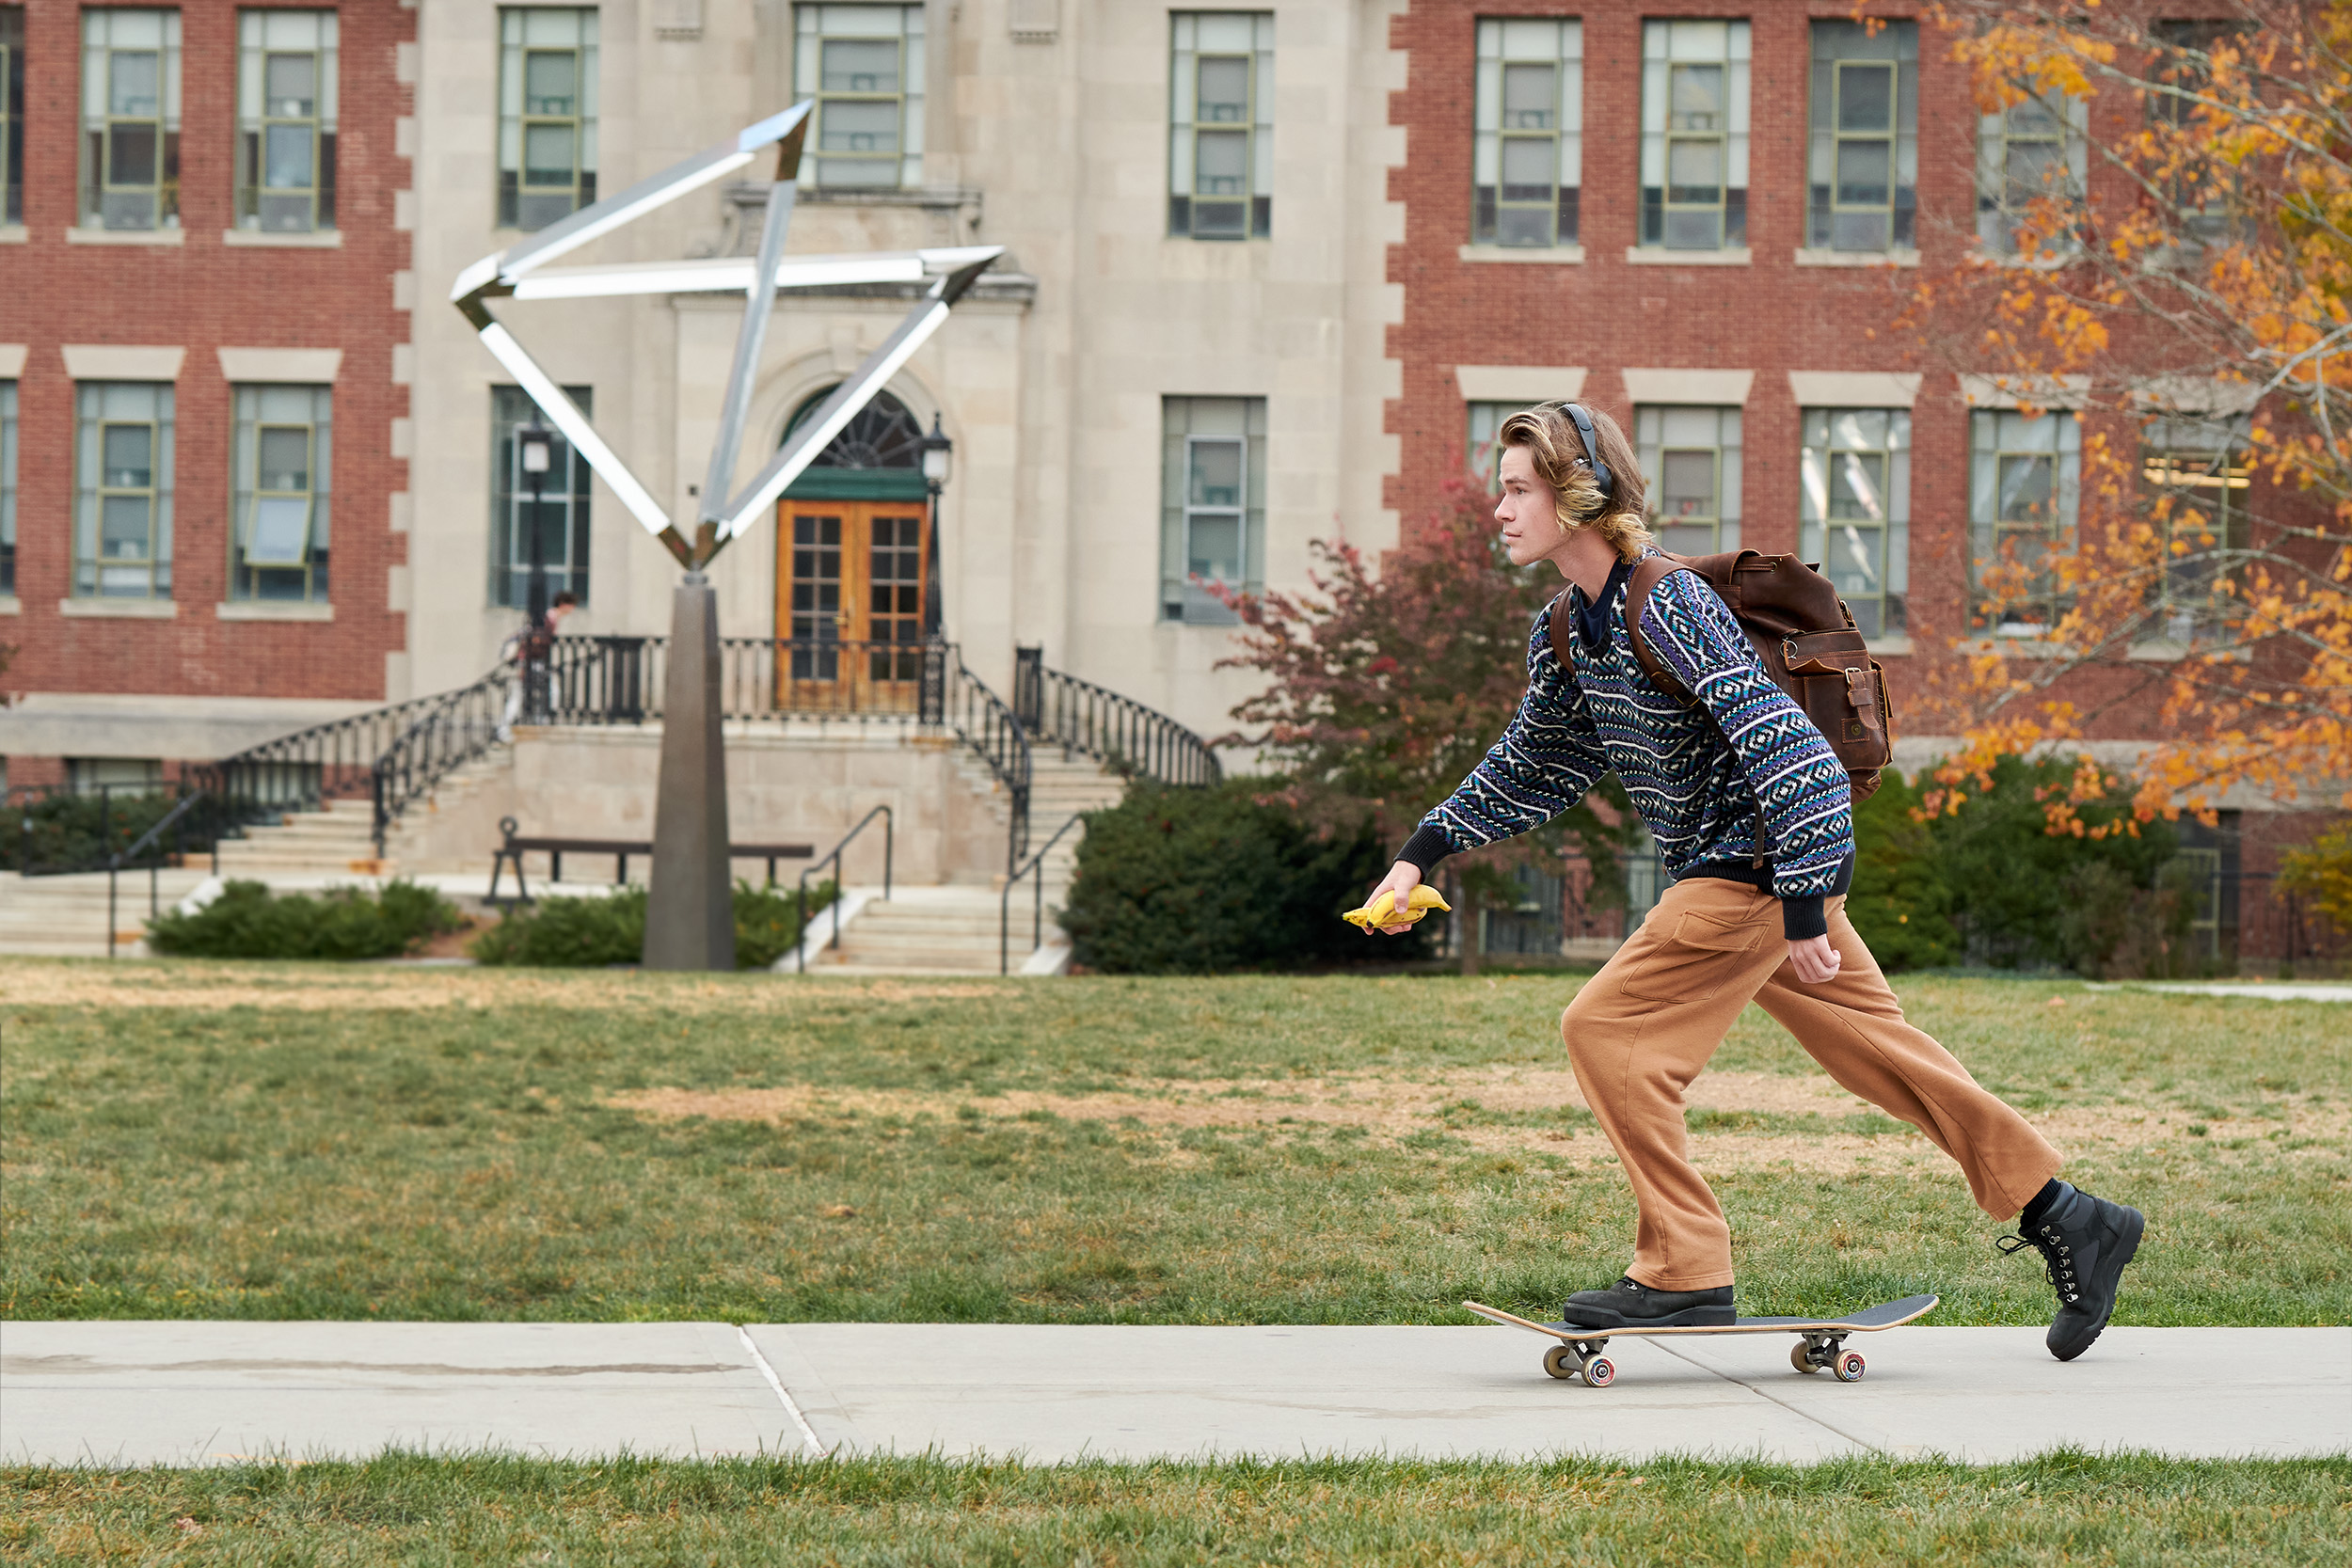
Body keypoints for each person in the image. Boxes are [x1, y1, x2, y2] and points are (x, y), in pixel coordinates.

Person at [1362, 403, 2143, 1361]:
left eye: (1519, 487)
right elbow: (1534, 759)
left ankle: (1684, 1270)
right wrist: (1421, 850)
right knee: (1882, 1054)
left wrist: (1806, 898)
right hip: (1758, 881)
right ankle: (2069, 1213)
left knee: (1605, 1030)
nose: (1499, 505)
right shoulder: (1567, 626)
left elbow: (1792, 749)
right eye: (1504, 487)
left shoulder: (1670, 601)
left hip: (1745, 878)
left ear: (1579, 495)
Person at [498, 590, 577, 742]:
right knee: (542, 692)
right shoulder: (549, 618)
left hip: (533, 662)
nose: (572, 609)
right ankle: (510, 728)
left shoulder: (550, 618)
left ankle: (524, 724)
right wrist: (523, 664)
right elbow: (533, 641)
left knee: (537, 693)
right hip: (531, 662)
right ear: (564, 604)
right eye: (571, 605)